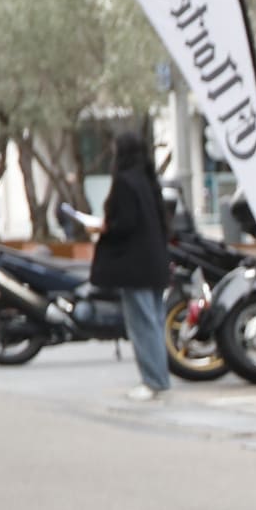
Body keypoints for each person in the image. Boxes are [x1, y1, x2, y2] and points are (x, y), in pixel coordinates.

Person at [92, 132, 173, 402]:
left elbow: (124, 223)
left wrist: (105, 227)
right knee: (154, 323)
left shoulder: (125, 183)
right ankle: (159, 378)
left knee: (141, 324)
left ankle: (153, 381)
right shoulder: (149, 181)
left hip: (134, 266)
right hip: (155, 264)